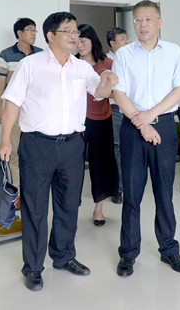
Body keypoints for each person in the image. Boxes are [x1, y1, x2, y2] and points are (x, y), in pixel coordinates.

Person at [0, 12, 118, 291]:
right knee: (35, 208)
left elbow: (99, 92)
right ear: (51, 36)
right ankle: (33, 267)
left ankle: (63, 257)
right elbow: (12, 103)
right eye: (68, 31)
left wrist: (108, 80)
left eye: (76, 31)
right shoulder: (30, 65)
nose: (75, 36)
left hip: (73, 145)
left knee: (68, 205)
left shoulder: (81, 68)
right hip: (37, 145)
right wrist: (5, 140)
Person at [112, 0, 180, 277]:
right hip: (133, 130)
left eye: (148, 19)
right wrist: (142, 123)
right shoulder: (123, 54)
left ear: (159, 22)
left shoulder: (173, 51)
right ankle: (128, 253)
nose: (142, 25)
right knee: (131, 195)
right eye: (137, 20)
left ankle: (169, 250)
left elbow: (179, 90)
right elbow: (118, 93)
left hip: (164, 128)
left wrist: (151, 116)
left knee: (164, 193)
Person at [77, 24, 120, 226]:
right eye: (76, 41)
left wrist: (104, 92)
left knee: (100, 165)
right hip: (78, 122)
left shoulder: (107, 63)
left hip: (102, 119)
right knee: (74, 166)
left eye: (83, 40)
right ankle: (71, 207)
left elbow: (118, 92)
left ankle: (99, 209)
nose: (79, 45)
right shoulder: (72, 64)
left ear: (92, 41)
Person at [0, 18, 42, 191]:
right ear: (19, 33)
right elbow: (0, 85)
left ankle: (33, 189)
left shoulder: (41, 54)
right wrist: (0, 109)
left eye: (35, 30)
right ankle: (17, 191)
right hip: (14, 108)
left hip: (36, 110)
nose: (33, 34)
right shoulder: (6, 55)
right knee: (13, 151)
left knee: (36, 152)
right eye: (30, 30)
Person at [105, 27, 130, 204]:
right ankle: (118, 189)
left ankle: (129, 185)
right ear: (112, 43)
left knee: (130, 149)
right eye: (122, 40)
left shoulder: (131, 58)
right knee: (117, 150)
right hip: (114, 111)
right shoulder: (106, 62)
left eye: (127, 39)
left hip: (132, 110)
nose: (127, 42)